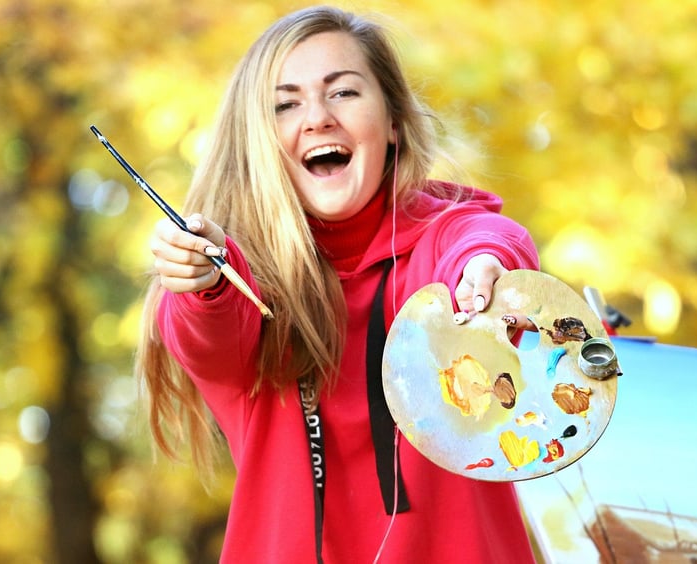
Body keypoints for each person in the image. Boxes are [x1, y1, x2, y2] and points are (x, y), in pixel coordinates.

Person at [136, 5, 539, 563]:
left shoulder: (442, 242)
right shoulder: (241, 282)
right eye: (285, 103)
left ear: (393, 120)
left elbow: (486, 238)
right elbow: (209, 334)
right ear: (258, 141)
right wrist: (203, 280)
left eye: (344, 92)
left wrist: (487, 271)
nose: (318, 117)